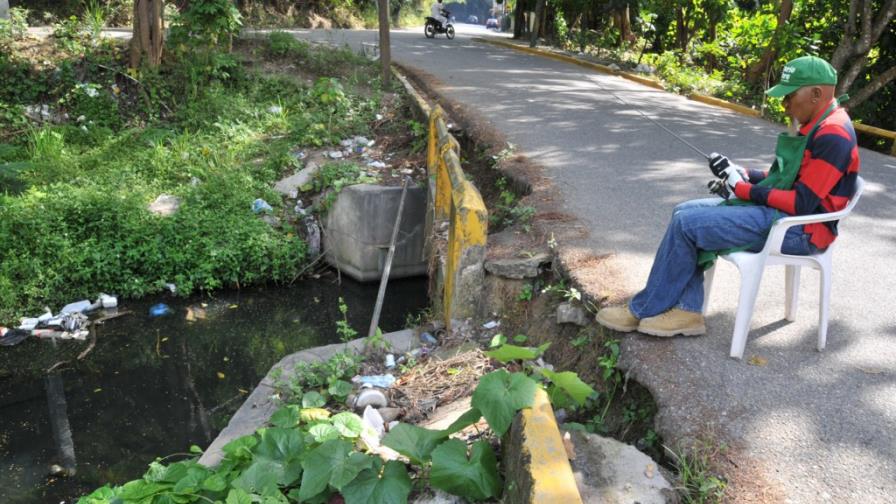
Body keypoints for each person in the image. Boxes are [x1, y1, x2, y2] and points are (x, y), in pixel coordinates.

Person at [595, 55, 861, 337]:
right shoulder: (819, 123)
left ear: (816, 94)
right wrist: (741, 172)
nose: (784, 105)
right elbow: (790, 177)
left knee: (688, 224)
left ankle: (643, 309)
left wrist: (744, 189)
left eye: (789, 96)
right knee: (684, 211)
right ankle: (687, 310)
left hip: (800, 231)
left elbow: (802, 203)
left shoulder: (833, 134)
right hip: (785, 217)